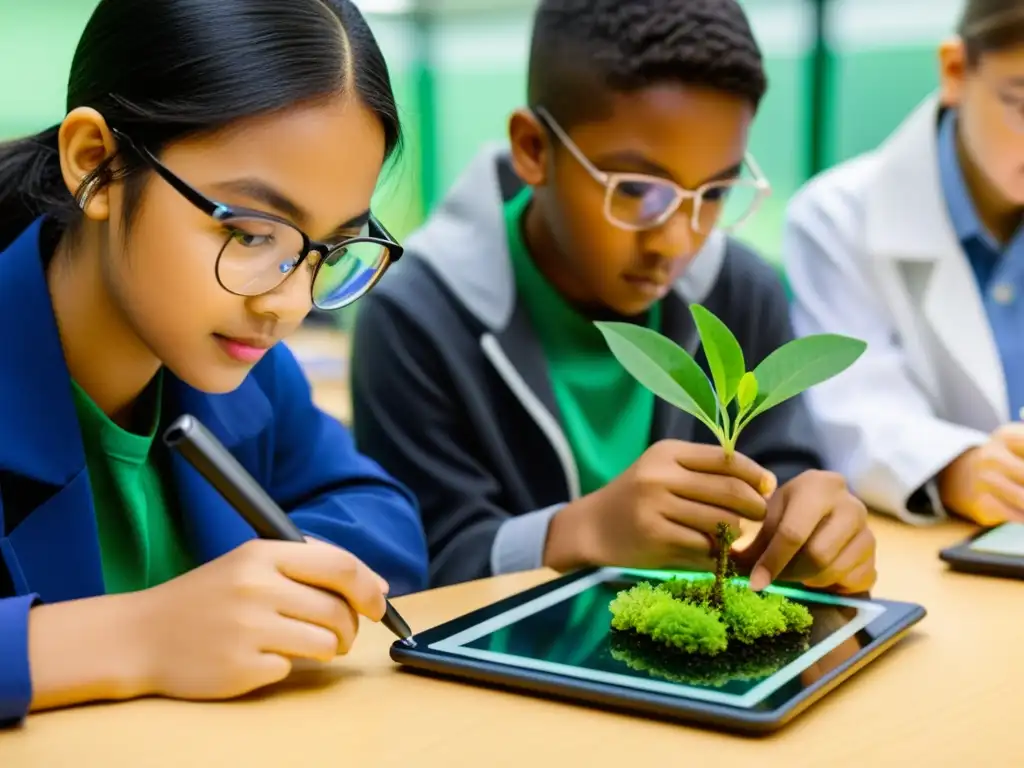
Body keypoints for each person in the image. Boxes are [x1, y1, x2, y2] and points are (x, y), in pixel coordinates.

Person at [350, 0, 877, 596]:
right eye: (635, 190)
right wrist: (576, 532)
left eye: (714, 193)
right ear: (533, 149)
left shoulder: (740, 289)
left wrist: (817, 526)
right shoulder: (416, 316)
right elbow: (417, 563)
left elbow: (781, 471)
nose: (677, 241)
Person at [0, 0, 429, 728]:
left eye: (324, 250)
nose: (290, 302)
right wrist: (143, 635)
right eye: (254, 233)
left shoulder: (241, 361)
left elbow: (380, 516)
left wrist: (277, 589)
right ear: (94, 163)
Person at [784, 0, 1024, 527]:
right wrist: (957, 468)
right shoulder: (837, 219)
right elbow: (851, 412)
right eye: (1022, 106)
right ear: (956, 71)